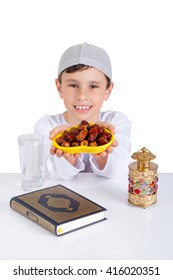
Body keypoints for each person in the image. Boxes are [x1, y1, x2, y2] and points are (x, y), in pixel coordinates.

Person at [34, 42, 131, 180]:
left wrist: (102, 146)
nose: (82, 96)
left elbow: (119, 169)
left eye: (93, 86)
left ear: (107, 91)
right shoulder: (48, 126)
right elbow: (48, 171)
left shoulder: (116, 123)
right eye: (73, 85)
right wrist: (66, 147)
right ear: (60, 88)